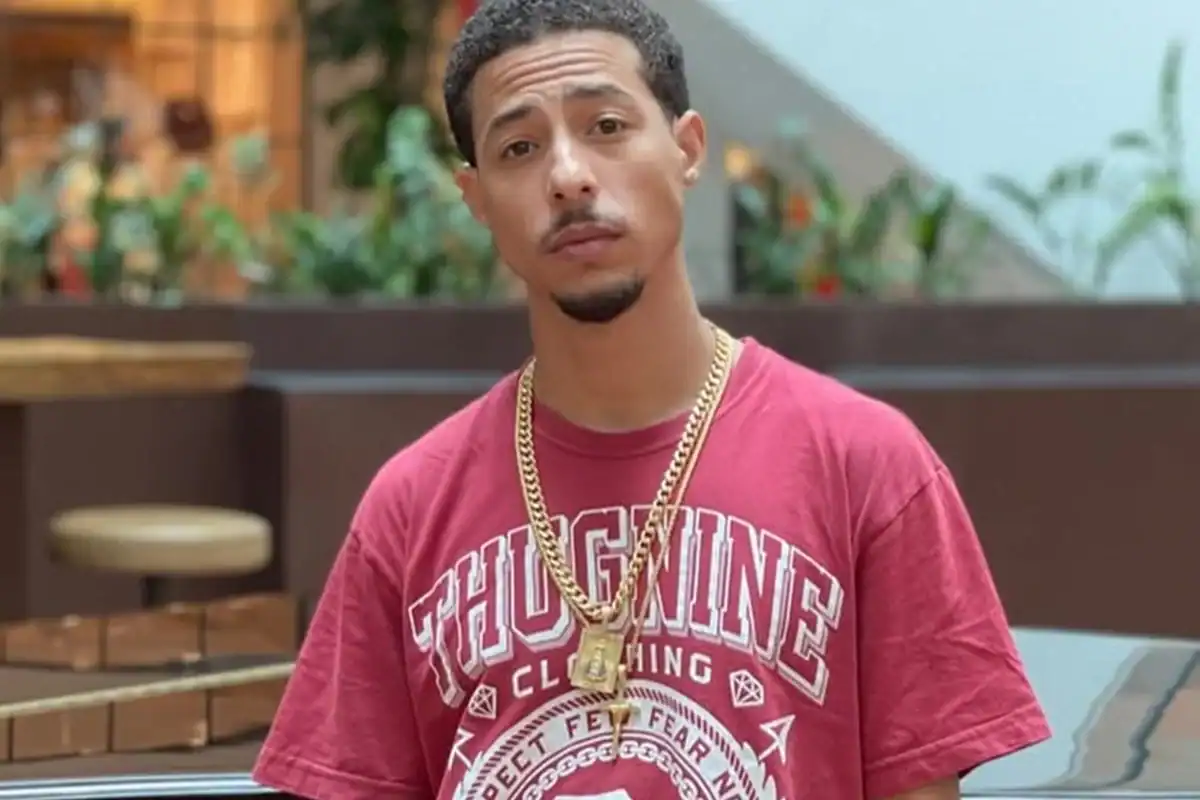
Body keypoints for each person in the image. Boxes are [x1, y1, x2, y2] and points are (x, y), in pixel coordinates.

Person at [252, 0, 1051, 797]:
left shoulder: (868, 467)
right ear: (478, 199)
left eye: (606, 126)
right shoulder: (409, 510)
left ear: (687, 148)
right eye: (520, 147)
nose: (568, 176)